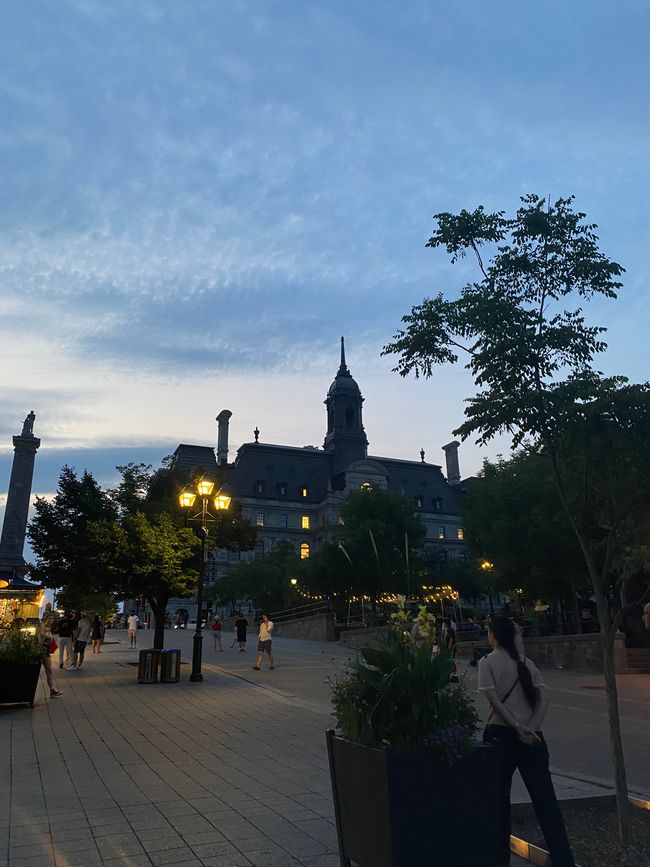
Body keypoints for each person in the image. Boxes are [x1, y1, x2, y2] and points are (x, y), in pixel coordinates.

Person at [478, 617, 576, 867]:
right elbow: (544, 699)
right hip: (534, 738)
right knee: (546, 802)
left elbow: (494, 701)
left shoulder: (487, 663)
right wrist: (530, 728)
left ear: (493, 635)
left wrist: (516, 725)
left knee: (499, 803)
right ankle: (563, 858)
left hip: (501, 736)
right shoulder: (527, 664)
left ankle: (499, 859)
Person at [38, 615, 62, 697]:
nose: (51, 620)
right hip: (42, 649)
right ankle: (52, 689)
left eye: (52, 618)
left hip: (46, 649)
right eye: (49, 618)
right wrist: (50, 637)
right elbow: (41, 634)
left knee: (49, 671)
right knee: (48, 670)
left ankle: (52, 689)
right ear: (46, 619)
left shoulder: (49, 627)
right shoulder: (43, 626)